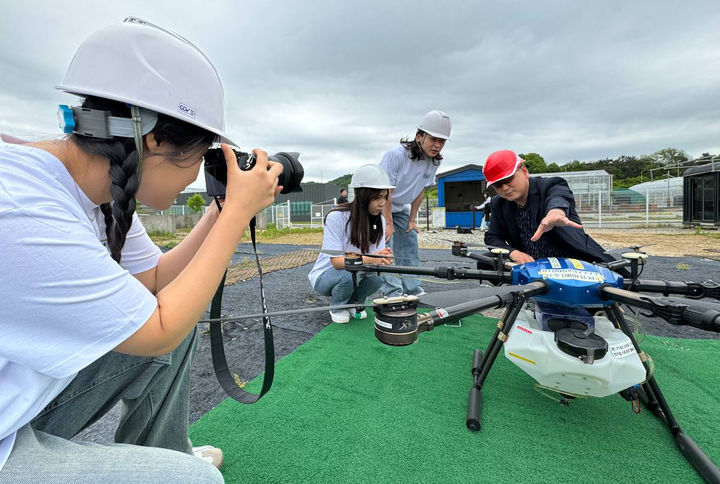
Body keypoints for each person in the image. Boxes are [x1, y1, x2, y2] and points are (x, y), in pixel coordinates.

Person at [0, 18, 284, 484]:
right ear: (154, 139)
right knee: (198, 483)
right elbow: (157, 330)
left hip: (18, 400)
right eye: (200, 153)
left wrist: (220, 212)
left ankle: (166, 451)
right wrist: (236, 219)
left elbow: (155, 280)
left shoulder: (104, 190)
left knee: (181, 329)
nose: (196, 175)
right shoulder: (24, 207)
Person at [482, 150, 614, 265]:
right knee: (485, 261)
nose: (504, 187)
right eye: (498, 184)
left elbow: (558, 197)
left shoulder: (550, 185)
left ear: (524, 172)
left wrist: (556, 213)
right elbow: (492, 237)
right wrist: (513, 253)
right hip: (532, 266)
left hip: (571, 262)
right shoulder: (499, 203)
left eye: (508, 179)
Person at [308, 165, 394, 323]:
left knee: (379, 276)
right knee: (347, 274)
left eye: (384, 197)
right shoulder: (337, 217)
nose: (382, 203)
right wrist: (371, 259)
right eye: (376, 198)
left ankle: (354, 303)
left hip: (357, 273)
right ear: (362, 196)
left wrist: (383, 258)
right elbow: (336, 262)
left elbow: (376, 258)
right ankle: (338, 306)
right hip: (327, 275)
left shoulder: (380, 220)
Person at [379, 110, 451, 297]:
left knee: (409, 244)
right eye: (433, 139)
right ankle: (392, 291)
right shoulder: (395, 155)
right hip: (380, 206)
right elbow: (386, 191)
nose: (437, 145)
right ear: (419, 136)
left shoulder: (433, 162)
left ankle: (413, 288)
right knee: (387, 246)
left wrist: (412, 220)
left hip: (401, 208)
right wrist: (388, 222)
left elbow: (420, 190)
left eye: (442, 141)